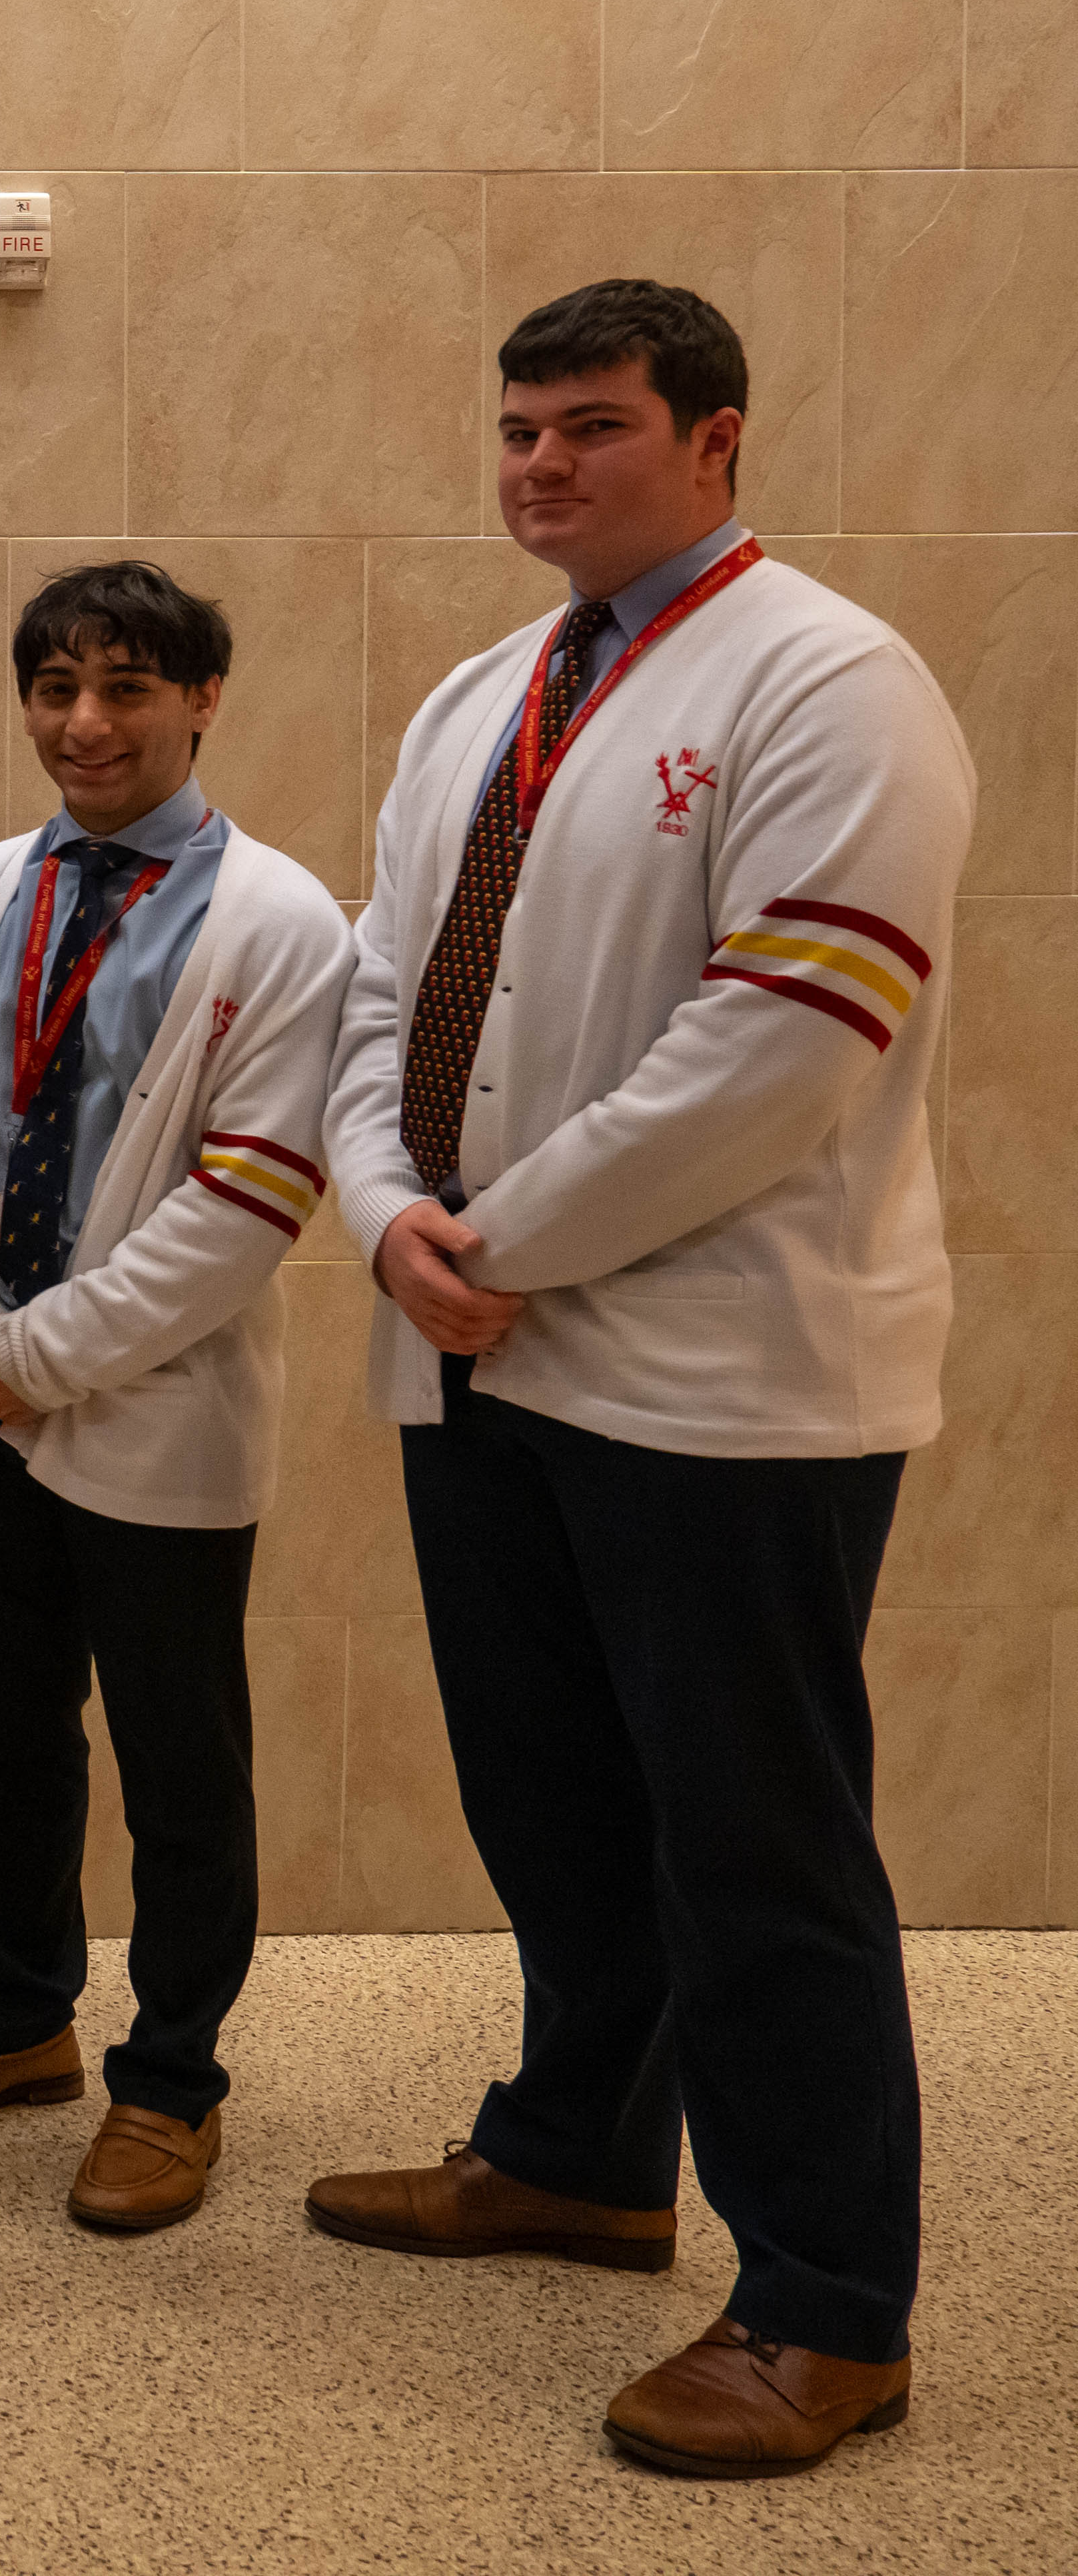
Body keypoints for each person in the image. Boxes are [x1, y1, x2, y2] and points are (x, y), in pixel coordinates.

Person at [312, 279, 961, 2479]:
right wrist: (377, 1209)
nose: (537, 466)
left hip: (716, 1379)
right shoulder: (479, 693)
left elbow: (778, 1046)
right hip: (476, 1350)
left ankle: (824, 2307)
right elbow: (379, 991)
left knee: (750, 1843)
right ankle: (579, 2154)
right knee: (551, 1799)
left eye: (587, 426)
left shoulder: (827, 680)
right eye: (515, 429)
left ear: (714, 441)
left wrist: (491, 1243)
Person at [0, 562, 351, 2234]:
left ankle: (172, 2080)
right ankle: (13, 2017)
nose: (86, 721)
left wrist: (41, 1355)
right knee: (4, 1734)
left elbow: (247, 1204)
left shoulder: (281, 920)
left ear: (204, 699)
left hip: (154, 1410)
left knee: (180, 1762)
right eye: (56, 687)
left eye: (127, 687)